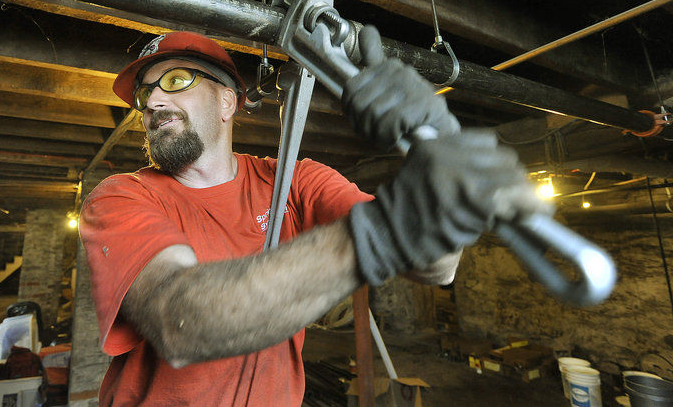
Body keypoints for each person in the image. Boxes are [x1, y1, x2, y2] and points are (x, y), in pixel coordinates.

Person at [79, 29, 545, 406]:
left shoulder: (294, 182)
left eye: (176, 81)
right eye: (145, 93)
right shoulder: (121, 197)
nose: (153, 102)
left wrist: (439, 149)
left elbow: (438, 266)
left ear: (227, 101)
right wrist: (382, 232)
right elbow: (181, 324)